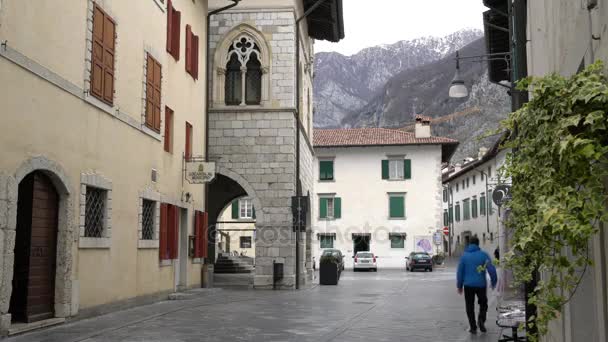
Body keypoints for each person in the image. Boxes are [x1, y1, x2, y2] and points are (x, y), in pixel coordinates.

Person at [457, 236, 497, 334]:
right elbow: (491, 269)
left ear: (469, 244)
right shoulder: (484, 255)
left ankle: (473, 327)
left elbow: (460, 272)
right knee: (483, 303)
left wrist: (459, 285)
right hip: (481, 284)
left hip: (468, 285)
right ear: (478, 244)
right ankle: (481, 319)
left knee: (469, 306)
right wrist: (493, 281)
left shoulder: (464, 256)